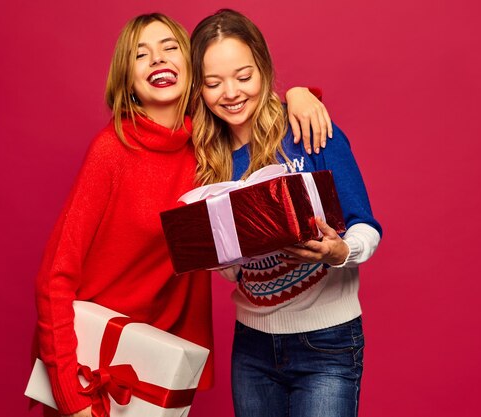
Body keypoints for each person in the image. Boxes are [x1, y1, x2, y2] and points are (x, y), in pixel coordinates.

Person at [34, 12, 331, 417]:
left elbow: (256, 115)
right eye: (141, 54)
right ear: (127, 78)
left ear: (192, 68)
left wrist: (299, 94)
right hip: (94, 362)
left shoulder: (209, 146)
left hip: (163, 366)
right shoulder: (111, 151)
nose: (157, 59)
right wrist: (71, 392)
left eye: (170, 47)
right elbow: (55, 276)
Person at [189, 9, 383, 417]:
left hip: (328, 343)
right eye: (213, 83)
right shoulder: (207, 157)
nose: (231, 92)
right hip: (252, 347)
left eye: (244, 77)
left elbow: (366, 225)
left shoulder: (307, 128)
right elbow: (231, 272)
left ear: (263, 67)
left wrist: (339, 252)